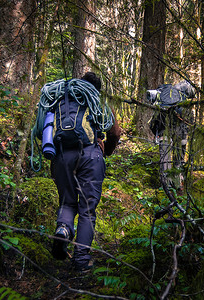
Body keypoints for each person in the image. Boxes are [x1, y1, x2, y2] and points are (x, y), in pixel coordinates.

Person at [50, 72, 121, 272]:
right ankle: (81, 260)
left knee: (67, 202)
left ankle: (63, 229)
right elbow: (115, 132)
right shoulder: (98, 100)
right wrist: (106, 150)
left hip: (61, 156)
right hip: (90, 156)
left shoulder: (61, 98)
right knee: (87, 210)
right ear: (97, 88)